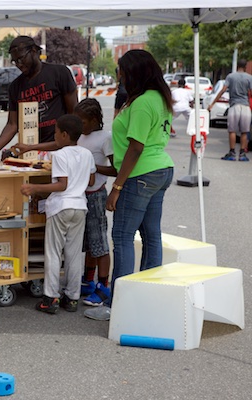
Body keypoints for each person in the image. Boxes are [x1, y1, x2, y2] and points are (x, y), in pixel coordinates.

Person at [85, 49, 174, 321]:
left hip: (141, 173)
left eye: (121, 70)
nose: (119, 75)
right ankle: (148, 298)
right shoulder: (158, 97)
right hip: (160, 169)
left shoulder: (145, 102)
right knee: (151, 235)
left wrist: (117, 187)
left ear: (135, 72)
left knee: (122, 237)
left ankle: (119, 306)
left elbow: (136, 147)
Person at [20, 114, 95, 314]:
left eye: (55, 133)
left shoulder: (60, 155)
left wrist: (34, 188)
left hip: (61, 206)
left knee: (53, 253)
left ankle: (50, 298)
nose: (54, 137)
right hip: (80, 206)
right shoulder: (87, 154)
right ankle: (72, 298)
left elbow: (62, 185)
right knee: (73, 254)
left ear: (64, 134)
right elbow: (90, 180)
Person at [0, 35, 78, 155]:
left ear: (33, 51)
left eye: (21, 59)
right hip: (29, 152)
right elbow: (12, 124)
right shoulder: (15, 87)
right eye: (15, 61)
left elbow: (73, 114)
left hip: (60, 151)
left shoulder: (60, 73)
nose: (19, 64)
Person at [73, 98, 117, 306]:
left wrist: (92, 167)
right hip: (81, 194)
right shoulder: (80, 137)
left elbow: (115, 169)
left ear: (94, 120)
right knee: (89, 242)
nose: (79, 125)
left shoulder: (105, 138)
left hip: (96, 194)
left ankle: (103, 286)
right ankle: (88, 280)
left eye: (82, 122)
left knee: (99, 241)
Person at [207, 59, 252, 161]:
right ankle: (242, 154)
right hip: (245, 106)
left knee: (232, 130)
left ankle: (232, 153)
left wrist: (212, 104)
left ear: (237, 67)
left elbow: (222, 90)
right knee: (244, 132)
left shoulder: (230, 76)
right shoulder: (250, 78)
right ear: (245, 67)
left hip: (234, 106)